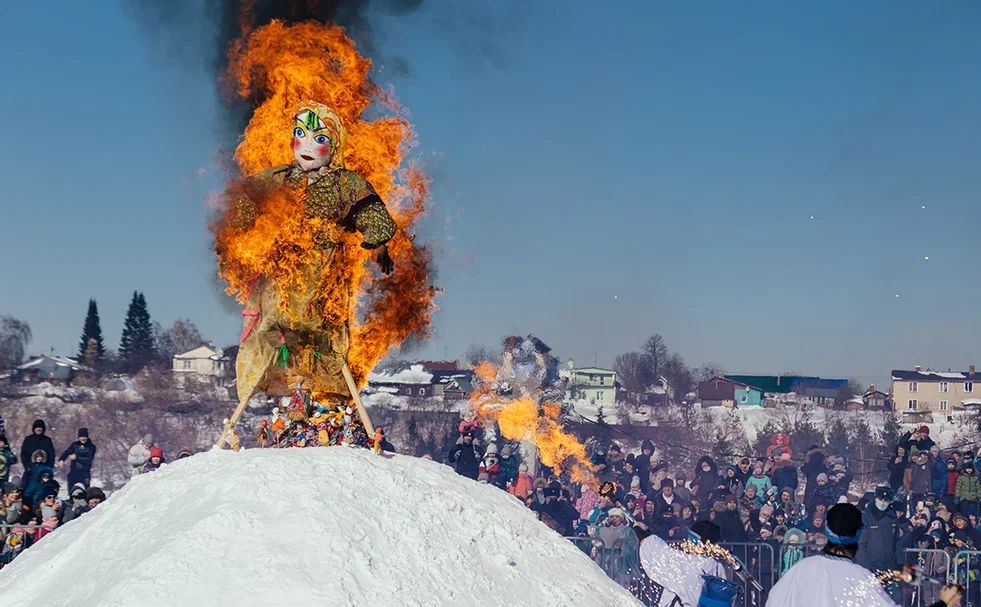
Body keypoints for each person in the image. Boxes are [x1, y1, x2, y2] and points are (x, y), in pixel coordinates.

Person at [768, 502, 964, 607]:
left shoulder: (799, 570)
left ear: (827, 531)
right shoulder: (859, 579)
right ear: (859, 534)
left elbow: (774, 601)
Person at [858, 487, 899, 574]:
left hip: (890, 567)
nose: (882, 503)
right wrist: (866, 567)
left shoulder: (892, 516)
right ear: (875, 498)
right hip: (870, 567)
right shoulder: (865, 516)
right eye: (880, 499)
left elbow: (896, 541)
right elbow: (860, 545)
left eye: (886, 501)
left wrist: (896, 564)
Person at [19, 420, 55, 488]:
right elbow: (23, 454)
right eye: (37, 427)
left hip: (44, 469)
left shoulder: (47, 440)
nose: (39, 429)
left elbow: (51, 455)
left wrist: (49, 468)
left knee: (44, 488)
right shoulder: (28, 439)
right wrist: (27, 467)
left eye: (40, 427)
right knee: (26, 487)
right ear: (34, 429)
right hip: (31, 469)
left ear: (43, 429)